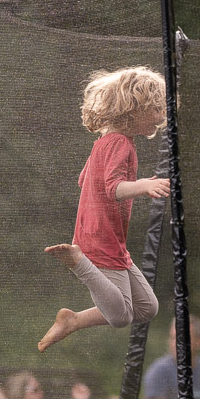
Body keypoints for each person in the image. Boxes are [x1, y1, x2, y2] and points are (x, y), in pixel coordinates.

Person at [39, 66, 171, 352]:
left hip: (109, 235)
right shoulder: (121, 143)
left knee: (147, 307)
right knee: (121, 316)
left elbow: (85, 179)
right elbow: (114, 189)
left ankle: (73, 320)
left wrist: (135, 183)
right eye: (157, 109)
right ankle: (78, 263)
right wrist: (144, 186)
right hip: (98, 237)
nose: (162, 117)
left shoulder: (104, 142)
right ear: (134, 109)